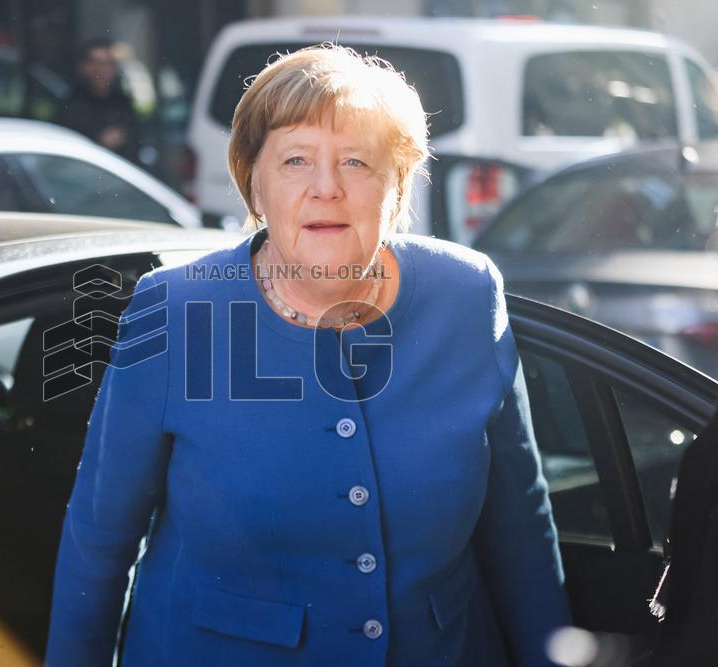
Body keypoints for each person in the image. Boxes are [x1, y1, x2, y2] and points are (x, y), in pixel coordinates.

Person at [45, 44, 572, 666]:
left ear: (397, 182)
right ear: (254, 182)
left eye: (356, 161)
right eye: (296, 160)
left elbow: (521, 530)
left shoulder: (467, 292)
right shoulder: (177, 310)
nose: (327, 188)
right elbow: (100, 543)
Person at [57, 39, 141, 163]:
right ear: (82, 67)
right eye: (94, 63)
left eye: (106, 64)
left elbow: (138, 137)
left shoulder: (123, 102)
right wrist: (97, 140)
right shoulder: (70, 103)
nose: (99, 70)